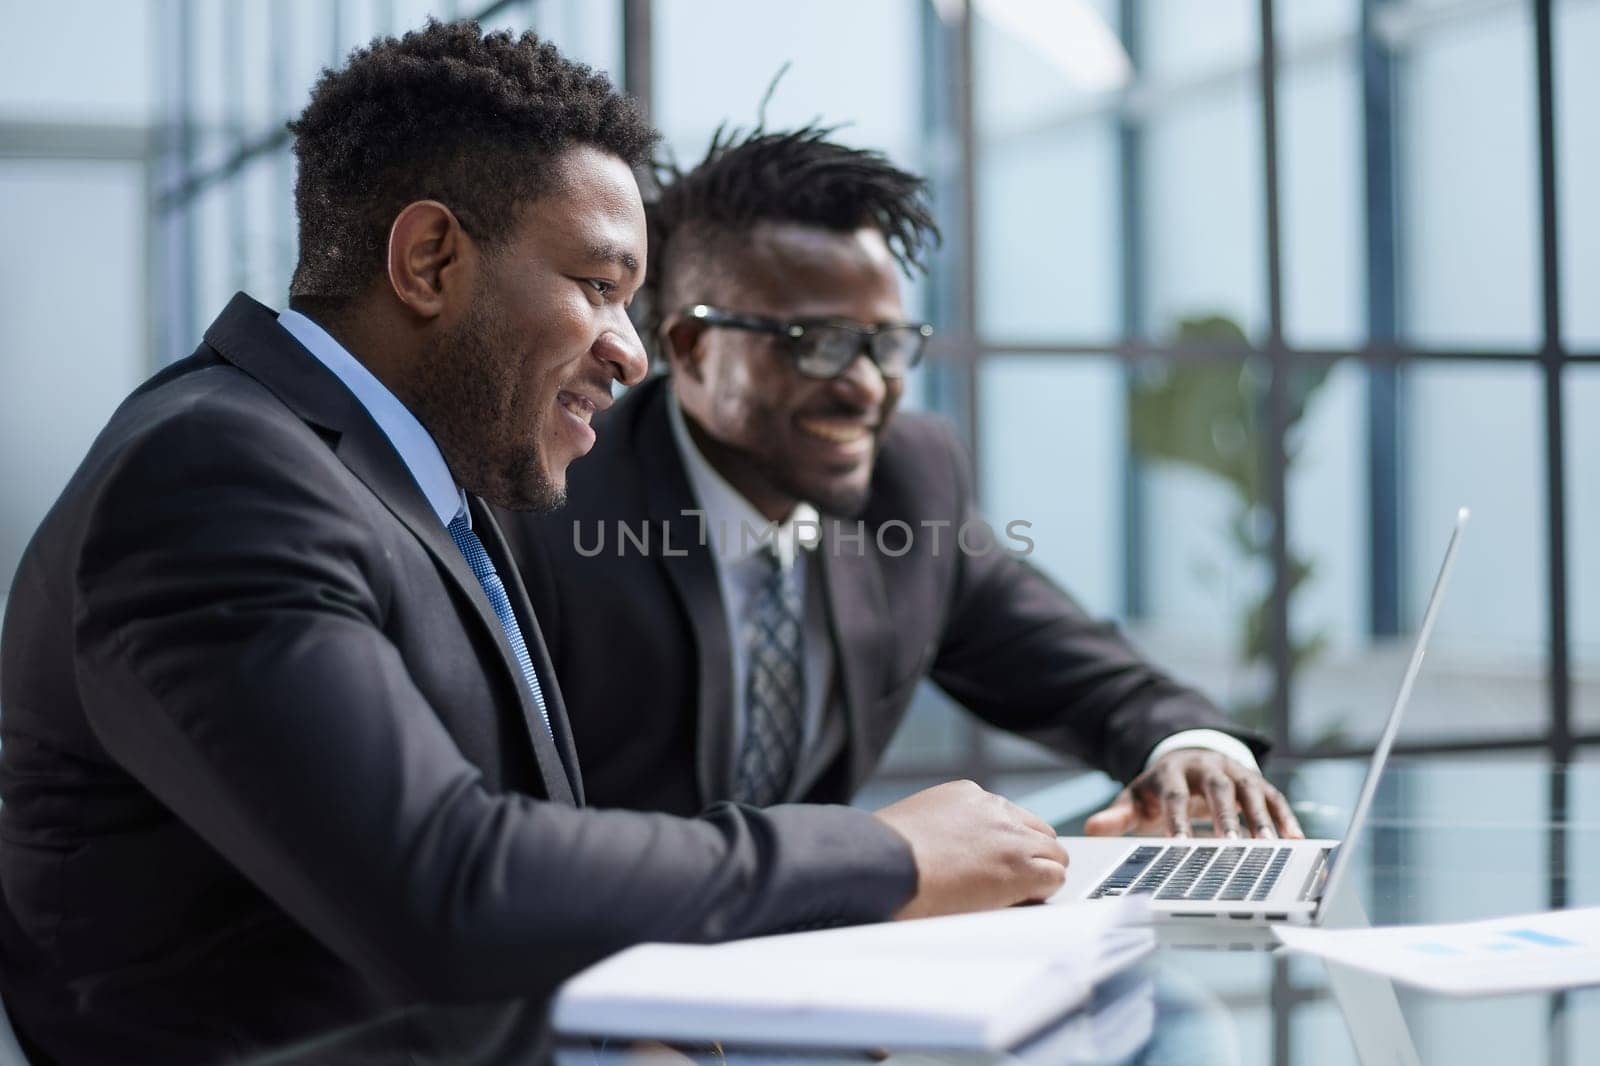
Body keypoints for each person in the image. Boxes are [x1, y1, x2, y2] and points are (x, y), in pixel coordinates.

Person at [0, 25, 1067, 1065]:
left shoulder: (413, 480)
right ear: (429, 260)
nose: (633, 354)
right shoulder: (217, 479)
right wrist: (884, 852)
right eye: (599, 287)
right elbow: (450, 880)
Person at [497, 126, 1305, 841]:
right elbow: (504, 839)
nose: (868, 386)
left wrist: (1191, 746)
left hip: (813, 976)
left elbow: (1083, 674)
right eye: (817, 342)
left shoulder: (911, 483)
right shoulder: (551, 500)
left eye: (888, 344)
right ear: (693, 349)